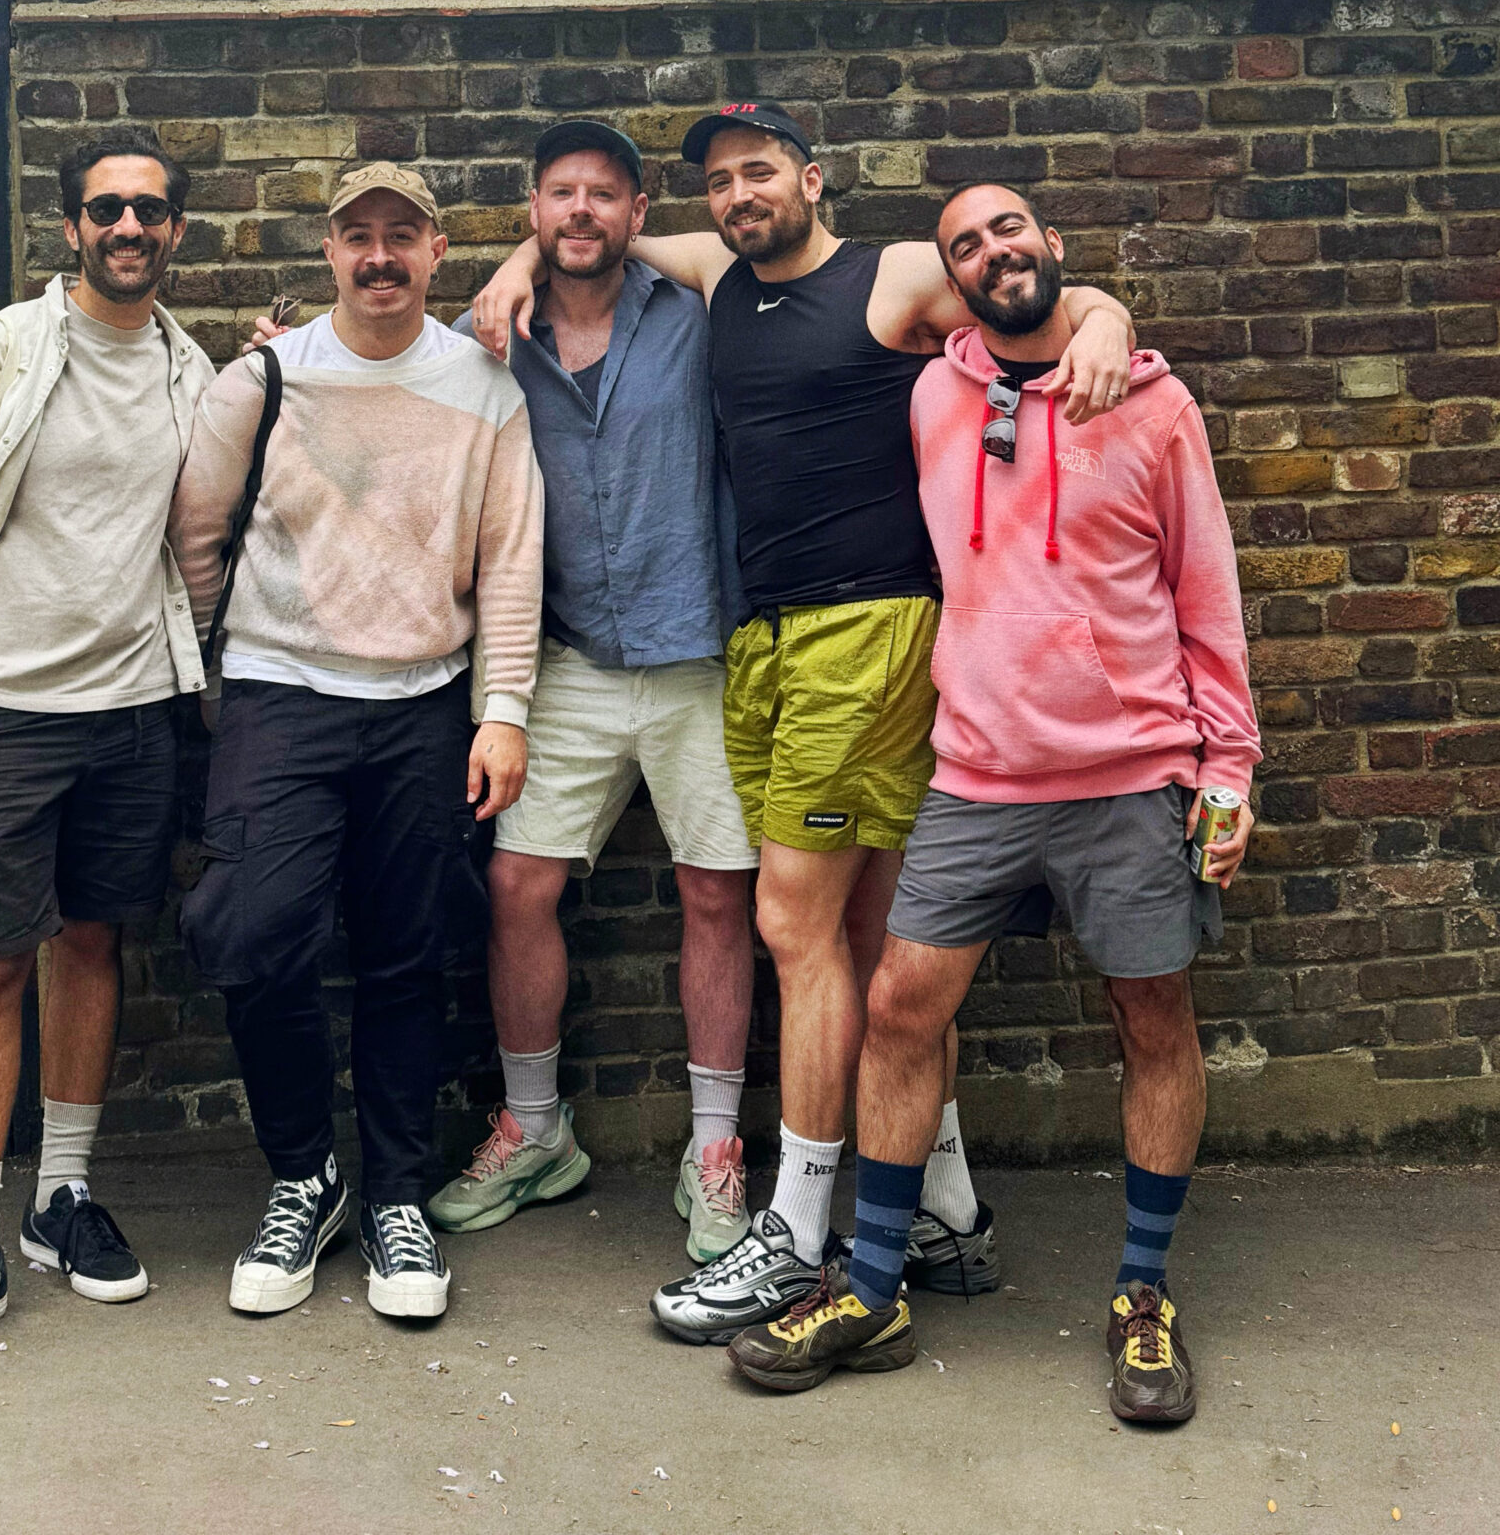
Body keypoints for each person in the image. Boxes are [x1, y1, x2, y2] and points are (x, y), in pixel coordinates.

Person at [473, 104, 1136, 1342]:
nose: (738, 193)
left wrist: (1104, 316)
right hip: (769, 635)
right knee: (876, 933)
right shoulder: (720, 271)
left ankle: (791, 1226)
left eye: (759, 170)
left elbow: (1024, 290)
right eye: (720, 181)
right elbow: (593, 241)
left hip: (868, 625)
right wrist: (515, 258)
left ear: (812, 177)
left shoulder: (885, 275)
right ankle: (940, 1210)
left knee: (789, 917)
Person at [725, 182, 1258, 1415]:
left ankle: (1140, 1294)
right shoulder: (931, 394)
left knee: (1151, 1017)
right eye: (963, 242)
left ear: (1051, 243)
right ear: (947, 274)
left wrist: (1226, 767)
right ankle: (871, 1285)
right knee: (903, 1007)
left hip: (1132, 768)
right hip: (975, 769)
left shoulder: (1153, 401)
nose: (990, 251)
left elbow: (1207, 594)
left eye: (1008, 228)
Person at [0, 127, 215, 1376]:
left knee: (93, 943)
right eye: (106, 209)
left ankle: (61, 1199)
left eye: (152, 210)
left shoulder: (193, 370)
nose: (130, 228)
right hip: (1, 715)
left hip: (132, 713)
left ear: (178, 229)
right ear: (69, 226)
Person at [172, 163, 544, 1326]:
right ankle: (303, 1172)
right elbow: (195, 533)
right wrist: (217, 671)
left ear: (438, 252)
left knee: (405, 952)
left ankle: (394, 1195)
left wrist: (504, 708)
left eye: (402, 236)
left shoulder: (485, 384)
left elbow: (515, 554)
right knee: (248, 928)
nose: (378, 257)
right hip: (281, 694)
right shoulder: (264, 379)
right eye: (356, 237)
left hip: (426, 699)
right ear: (328, 253)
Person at [426, 120, 759, 1266]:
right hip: (559, 660)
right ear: (532, 209)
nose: (580, 212)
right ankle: (533, 1126)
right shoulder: (487, 339)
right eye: (559, 195)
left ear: (636, 210)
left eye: (603, 196)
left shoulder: (700, 310)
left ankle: (715, 1147)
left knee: (718, 898)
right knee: (518, 884)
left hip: (696, 656)